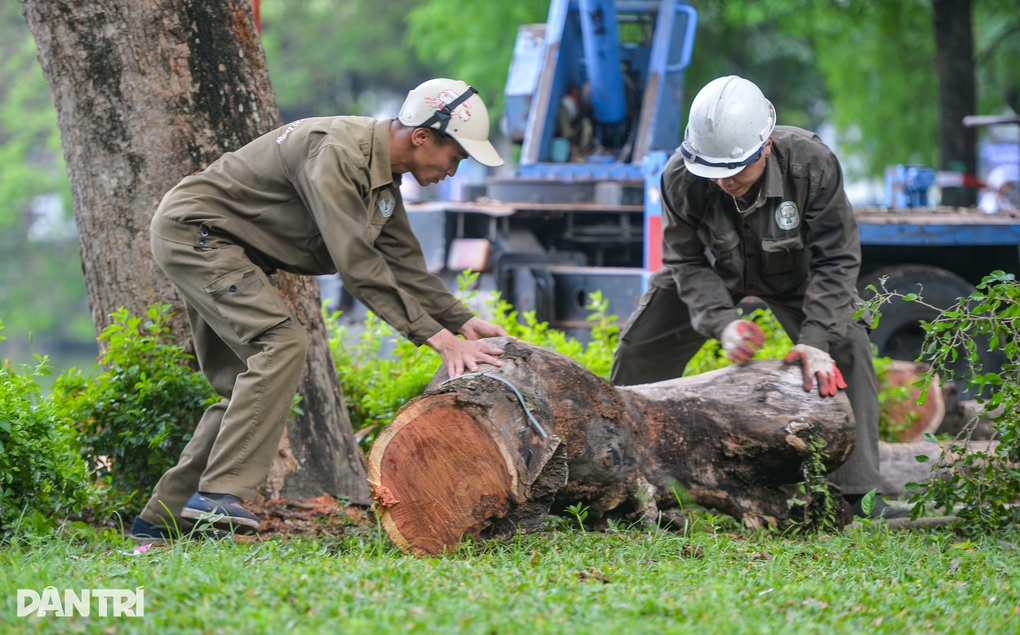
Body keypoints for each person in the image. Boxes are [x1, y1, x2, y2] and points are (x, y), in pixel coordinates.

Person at [132, 78, 509, 542]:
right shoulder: (337, 153)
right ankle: (218, 495)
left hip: (222, 246)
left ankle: (159, 522)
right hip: (200, 236)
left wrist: (463, 321)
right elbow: (358, 264)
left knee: (243, 390)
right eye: (457, 157)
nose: (454, 170)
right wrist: (440, 341)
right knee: (282, 344)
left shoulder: (381, 180)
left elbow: (404, 265)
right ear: (422, 136)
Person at [611, 75, 906, 520]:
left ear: (765, 145)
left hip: (799, 272)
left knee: (847, 343)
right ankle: (618, 473)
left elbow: (836, 257)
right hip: (715, 271)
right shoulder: (681, 175)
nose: (723, 181)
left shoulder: (811, 163)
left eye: (735, 169)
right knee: (640, 346)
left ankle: (855, 494)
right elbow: (684, 259)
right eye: (713, 171)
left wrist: (815, 339)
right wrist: (721, 321)